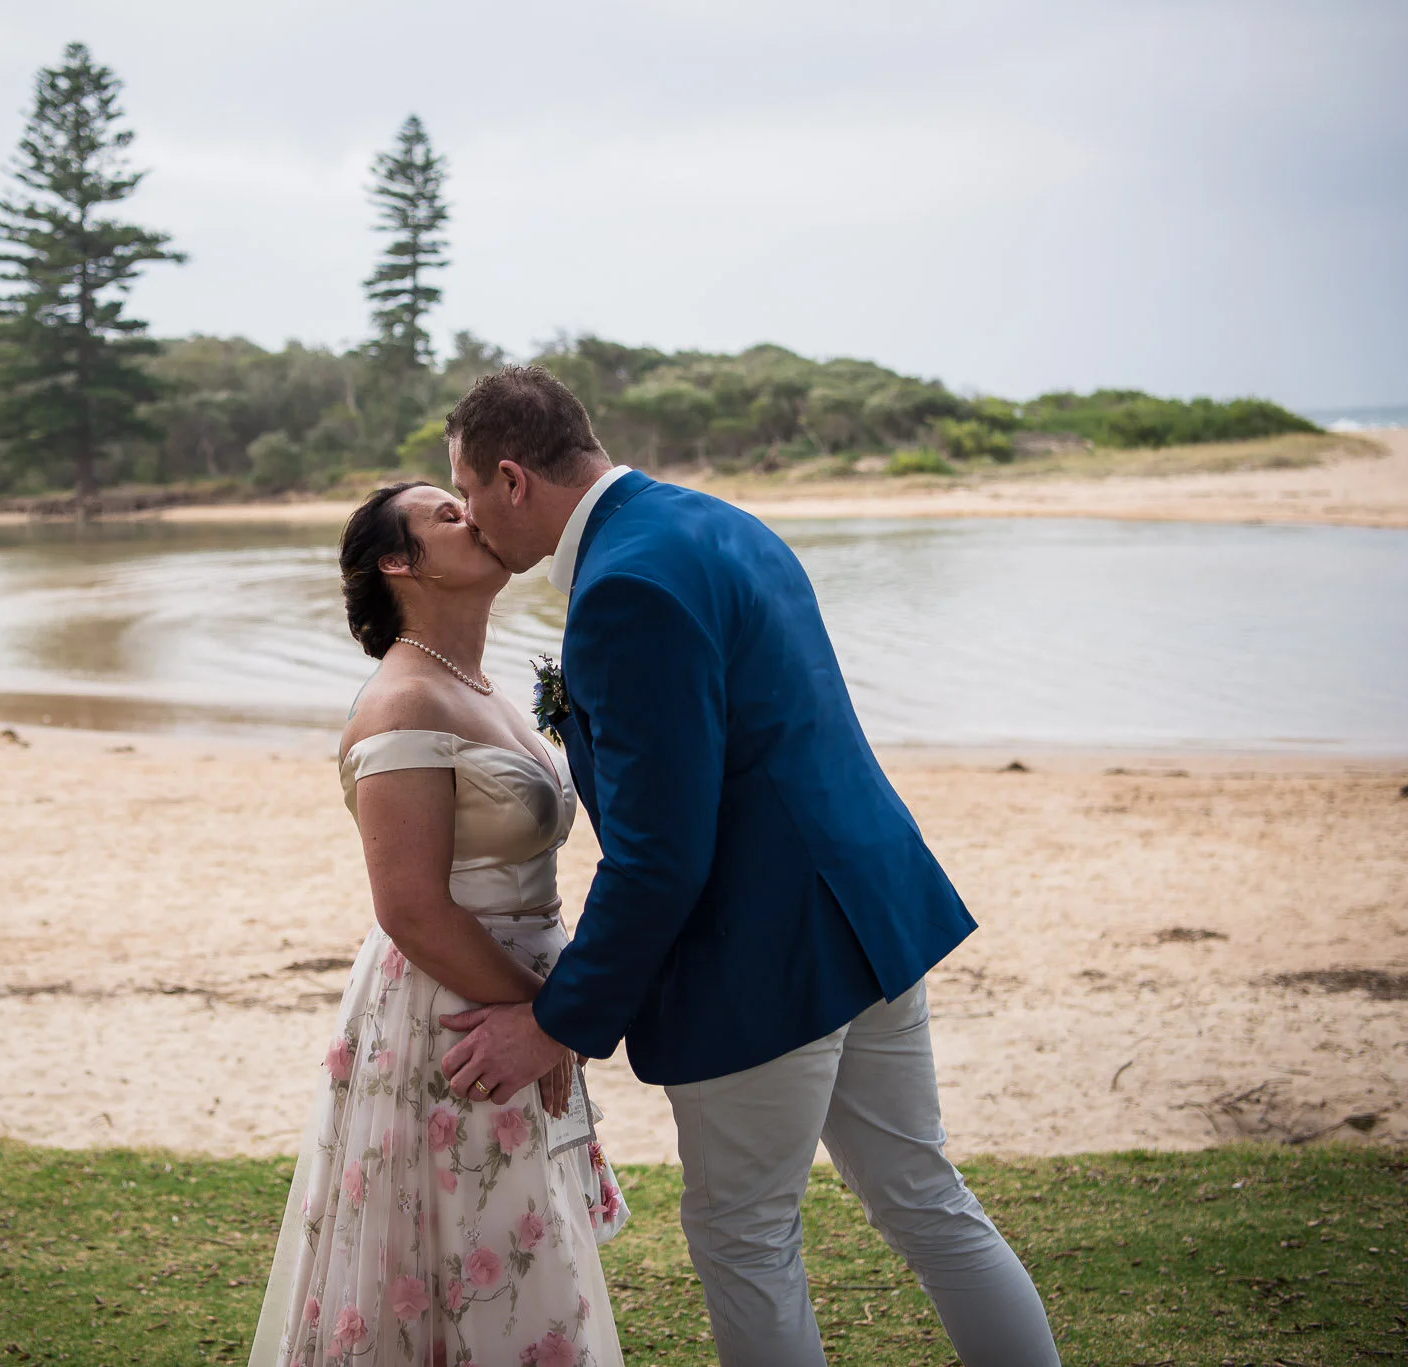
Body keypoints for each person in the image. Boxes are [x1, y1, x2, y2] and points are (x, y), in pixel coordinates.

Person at [435, 366, 1062, 1367]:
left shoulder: (623, 587)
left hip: (761, 953)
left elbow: (657, 854)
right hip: (867, 917)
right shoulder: (714, 521)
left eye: (465, 491)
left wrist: (557, 1022)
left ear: (511, 477)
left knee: (744, 1235)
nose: (467, 518)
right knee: (923, 1198)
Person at [247, 481, 629, 1367]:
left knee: (513, 1248)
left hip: (518, 993)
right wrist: (546, 1017)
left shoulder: (484, 684)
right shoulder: (403, 701)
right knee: (459, 1256)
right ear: (397, 562)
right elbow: (412, 904)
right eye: (447, 516)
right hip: (453, 1007)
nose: (476, 517)